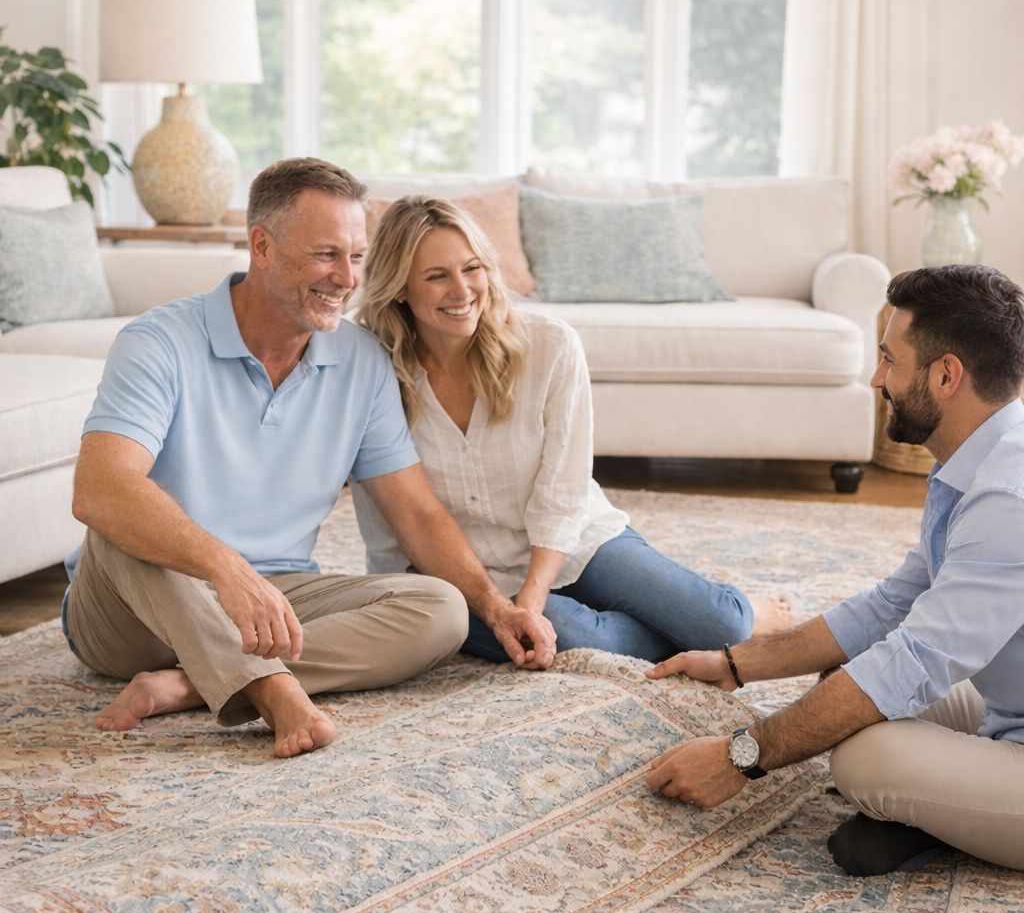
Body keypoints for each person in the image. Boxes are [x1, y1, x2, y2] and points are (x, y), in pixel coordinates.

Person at [66, 159, 556, 759]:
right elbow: (98, 489)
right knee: (123, 518)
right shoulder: (159, 343)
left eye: (356, 257)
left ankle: (191, 683)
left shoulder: (362, 360)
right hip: (133, 613)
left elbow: (415, 513)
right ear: (262, 247)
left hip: (278, 594)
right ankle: (273, 691)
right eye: (327, 255)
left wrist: (495, 607)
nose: (346, 279)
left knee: (441, 610)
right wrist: (227, 570)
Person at [644, 263, 1024, 876]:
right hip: (1007, 709)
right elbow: (889, 608)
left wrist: (740, 756)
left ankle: (945, 819)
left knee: (863, 756)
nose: (877, 378)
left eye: (889, 360)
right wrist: (737, 664)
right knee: (845, 683)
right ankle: (943, 815)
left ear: (946, 374)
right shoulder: (974, 461)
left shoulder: (1010, 496)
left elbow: (916, 661)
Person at [350, 196, 790, 665]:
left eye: (472, 268)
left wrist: (533, 599)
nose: (461, 290)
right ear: (400, 288)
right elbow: (396, 514)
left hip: (570, 540)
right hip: (465, 574)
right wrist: (500, 608)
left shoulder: (549, 345)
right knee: (574, 634)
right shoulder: (373, 371)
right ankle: (679, 631)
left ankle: (743, 617)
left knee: (722, 624)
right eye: (436, 276)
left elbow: (564, 490)